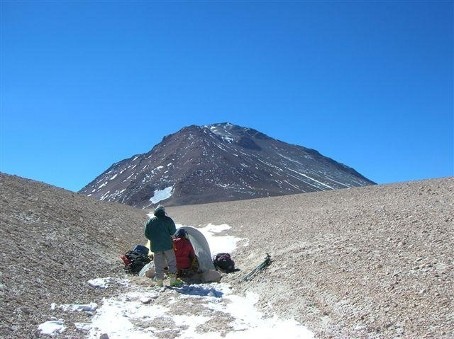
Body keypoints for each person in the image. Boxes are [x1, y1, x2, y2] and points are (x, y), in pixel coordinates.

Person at [144, 205, 183, 287]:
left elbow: (147, 235)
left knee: (158, 264)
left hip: (155, 247)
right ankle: (173, 281)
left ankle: (159, 282)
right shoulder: (168, 220)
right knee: (171, 262)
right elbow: (173, 232)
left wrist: (154, 239)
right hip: (167, 246)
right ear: (163, 211)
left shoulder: (150, 222)